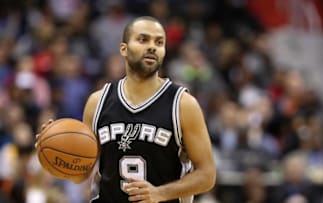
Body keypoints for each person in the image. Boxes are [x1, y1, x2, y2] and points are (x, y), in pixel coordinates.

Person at [36, 16, 216, 203]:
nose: (152, 47)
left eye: (159, 42)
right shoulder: (97, 102)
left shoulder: (182, 104)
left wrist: (160, 193)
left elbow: (207, 175)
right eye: (143, 39)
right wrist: (53, 154)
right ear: (124, 49)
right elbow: (82, 174)